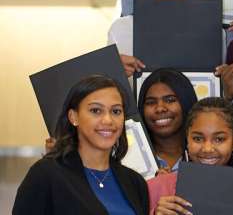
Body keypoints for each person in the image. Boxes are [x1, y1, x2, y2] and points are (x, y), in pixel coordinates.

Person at [13, 75, 148, 214]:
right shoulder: (45, 174)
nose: (108, 120)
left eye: (116, 111)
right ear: (74, 117)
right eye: (96, 110)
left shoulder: (135, 183)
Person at [147, 97, 233, 214]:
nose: (207, 148)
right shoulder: (156, 188)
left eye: (219, 139)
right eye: (198, 138)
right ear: (187, 138)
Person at [138, 69, 198, 174]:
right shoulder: (131, 160)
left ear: (186, 102)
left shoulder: (205, 155)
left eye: (170, 100)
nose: (160, 108)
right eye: (151, 102)